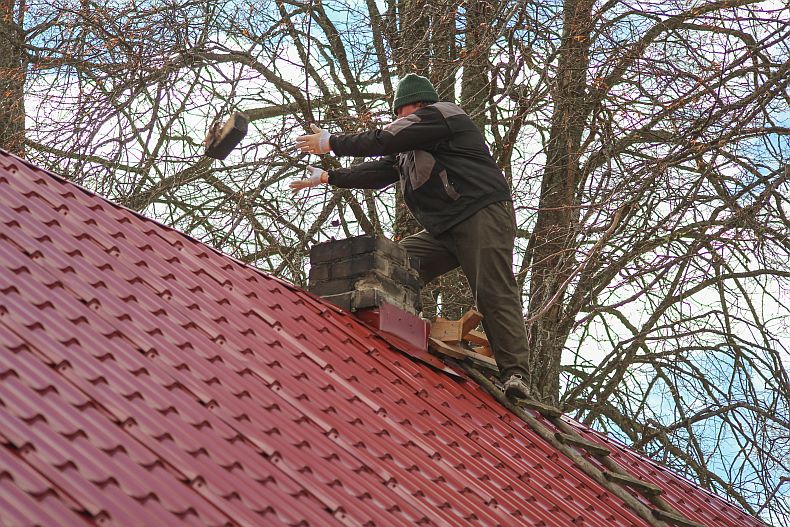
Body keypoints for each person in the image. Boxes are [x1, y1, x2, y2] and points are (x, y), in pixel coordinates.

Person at [292, 73, 531, 400]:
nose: (396, 120)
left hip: (480, 213)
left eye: (399, 113)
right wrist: (329, 177)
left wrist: (332, 142)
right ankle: (386, 338)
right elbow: (379, 172)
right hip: (444, 228)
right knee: (393, 266)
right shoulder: (408, 150)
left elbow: (385, 139)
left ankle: (516, 373)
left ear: (416, 105)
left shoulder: (441, 115)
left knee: (491, 288)